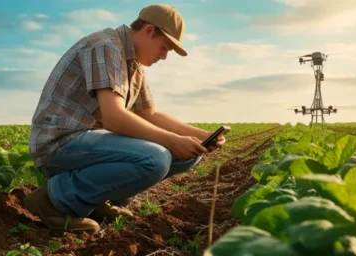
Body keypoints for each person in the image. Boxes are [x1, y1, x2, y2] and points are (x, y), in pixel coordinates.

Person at [23, 4, 224, 232]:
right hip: (60, 144)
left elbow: (150, 113)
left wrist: (201, 136)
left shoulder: (134, 63)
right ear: (148, 30)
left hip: (87, 141)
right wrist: (172, 140)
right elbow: (115, 118)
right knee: (155, 159)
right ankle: (53, 200)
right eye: (164, 47)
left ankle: (95, 200)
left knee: (187, 155)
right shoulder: (105, 46)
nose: (164, 56)